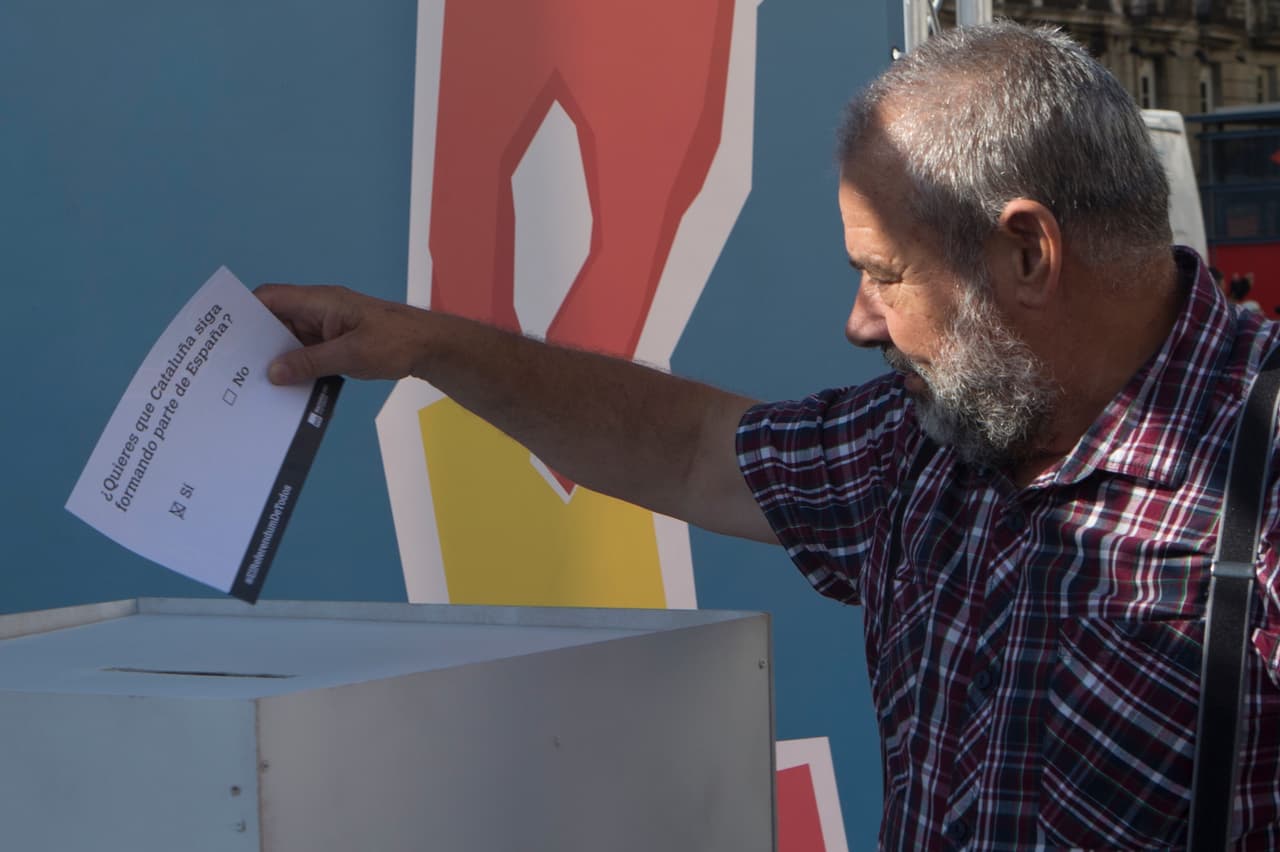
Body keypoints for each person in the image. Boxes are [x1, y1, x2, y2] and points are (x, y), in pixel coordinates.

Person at [256, 23, 1280, 850]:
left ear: (1024, 254)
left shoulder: (1259, 479)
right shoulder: (922, 444)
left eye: (881, 273)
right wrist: (426, 346)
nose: (857, 321)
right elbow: (691, 448)